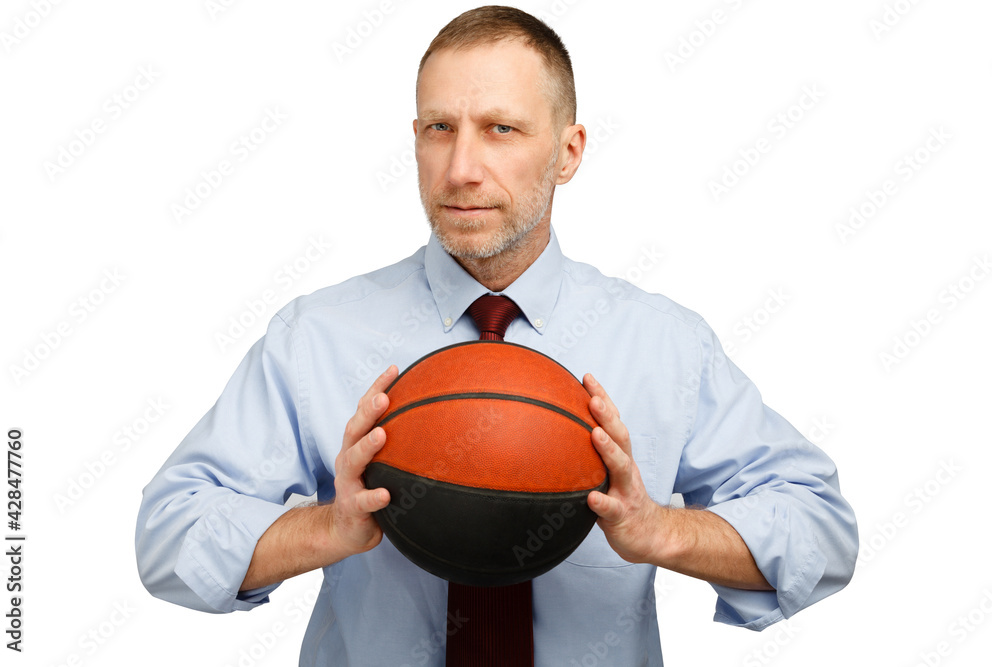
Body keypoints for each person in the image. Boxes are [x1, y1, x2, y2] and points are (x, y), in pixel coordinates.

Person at [136, 6, 858, 665]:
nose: (461, 169)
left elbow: (822, 531)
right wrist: (326, 529)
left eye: (500, 129)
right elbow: (168, 536)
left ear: (568, 152)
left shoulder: (666, 345)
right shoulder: (316, 337)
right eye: (439, 129)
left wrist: (661, 529)